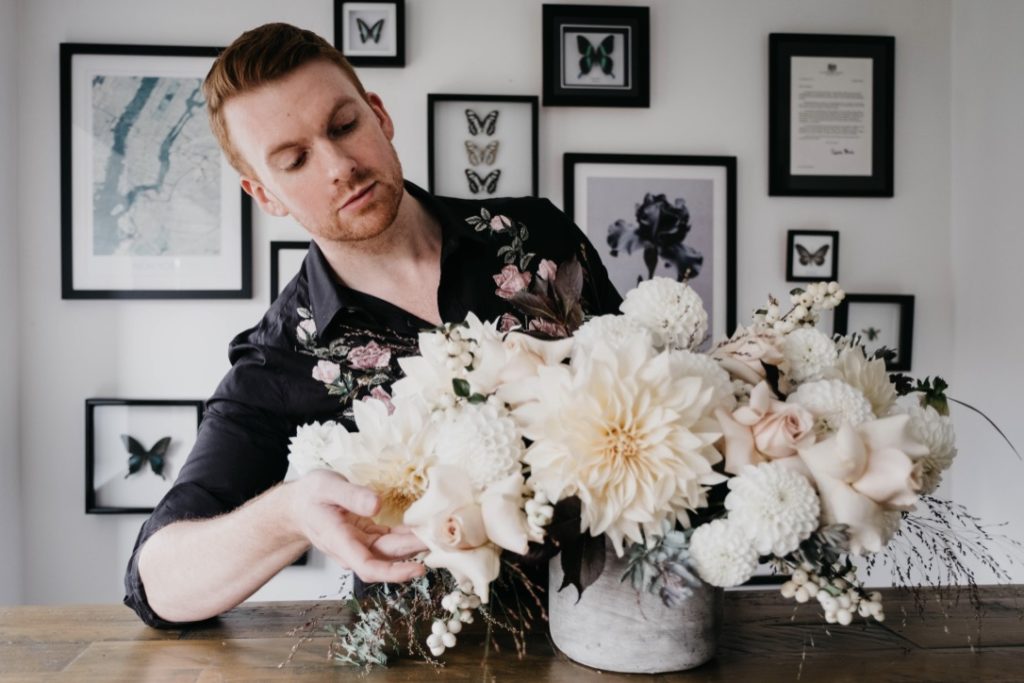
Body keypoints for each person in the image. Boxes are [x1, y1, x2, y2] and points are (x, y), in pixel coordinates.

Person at [124, 22, 622, 628]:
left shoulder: (538, 235)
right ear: (265, 194)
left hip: (627, 624)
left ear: (379, 116)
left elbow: (642, 377)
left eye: (343, 126)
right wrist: (289, 514)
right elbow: (159, 586)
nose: (339, 165)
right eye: (296, 159)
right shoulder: (281, 356)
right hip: (430, 659)